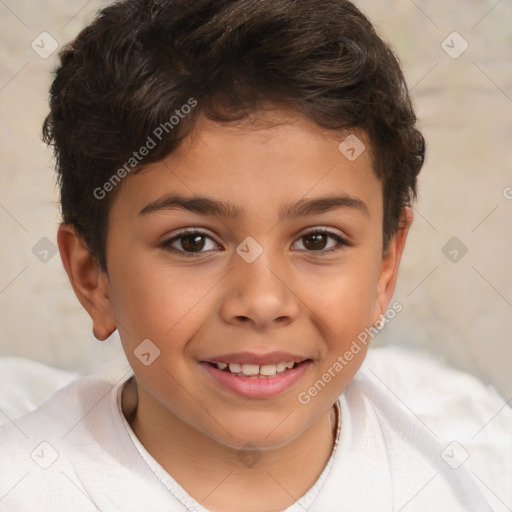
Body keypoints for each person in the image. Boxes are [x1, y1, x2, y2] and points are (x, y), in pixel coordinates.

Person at [0, 0, 492, 510]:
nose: (261, 301)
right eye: (192, 242)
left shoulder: (455, 480)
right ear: (92, 277)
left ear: (385, 267)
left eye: (318, 240)